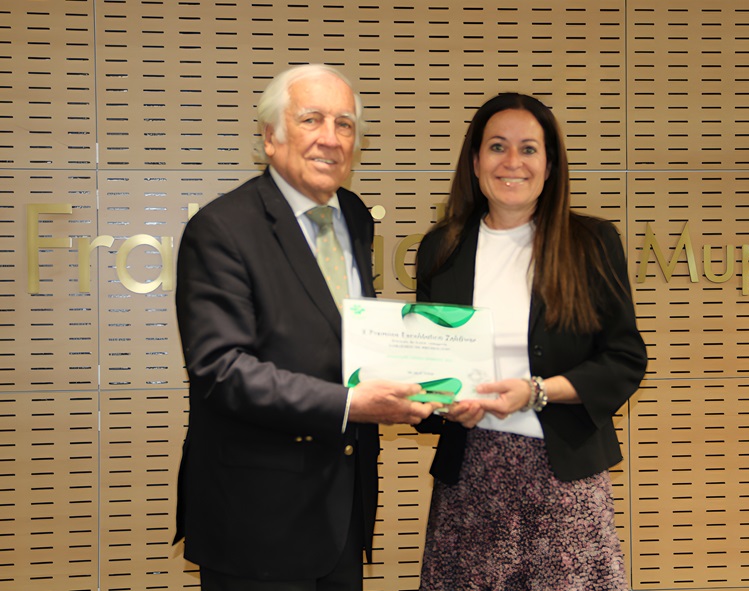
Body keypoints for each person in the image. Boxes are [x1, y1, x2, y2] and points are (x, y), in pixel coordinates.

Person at [173, 64, 438, 591]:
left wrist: (427, 384)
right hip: (256, 521)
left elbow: (342, 337)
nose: (330, 138)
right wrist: (351, 404)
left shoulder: (353, 216)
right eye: (311, 119)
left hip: (341, 511)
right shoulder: (221, 228)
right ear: (270, 137)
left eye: (344, 124)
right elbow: (222, 372)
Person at [414, 93, 649, 590]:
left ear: (550, 165)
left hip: (565, 479)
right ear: (475, 161)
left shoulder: (591, 244)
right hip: (471, 477)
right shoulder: (442, 248)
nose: (512, 162)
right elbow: (429, 363)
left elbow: (624, 359)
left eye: (528, 149)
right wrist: (443, 404)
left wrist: (537, 391)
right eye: (497, 147)